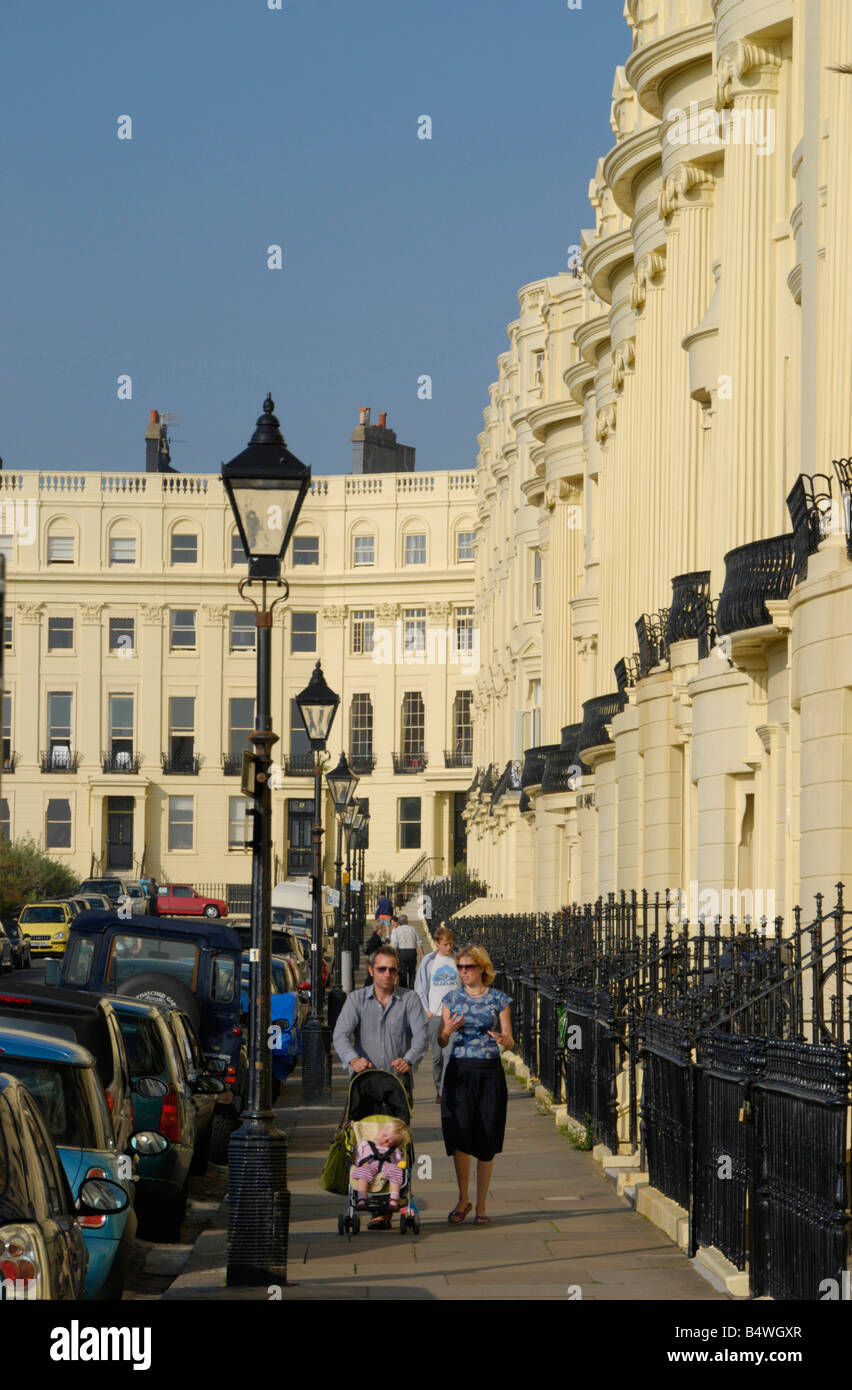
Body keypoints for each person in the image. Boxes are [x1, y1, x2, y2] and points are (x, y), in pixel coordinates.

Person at [333, 945, 427, 1229]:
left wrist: (409, 1060)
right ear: (372, 971)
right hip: (365, 1084)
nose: (388, 974)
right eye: (382, 969)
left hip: (397, 1084)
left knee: (395, 1146)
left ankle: (388, 1206)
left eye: (393, 970)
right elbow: (340, 1035)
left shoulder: (408, 999)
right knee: (366, 1143)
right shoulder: (356, 1000)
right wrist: (353, 1060)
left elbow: (421, 1037)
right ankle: (368, 1198)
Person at [439, 944, 513, 1226]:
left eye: (469, 967)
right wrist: (447, 1030)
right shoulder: (451, 998)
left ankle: (481, 1205)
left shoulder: (498, 999)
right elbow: (442, 1040)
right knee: (459, 1137)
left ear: (483, 968)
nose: (463, 972)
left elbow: (509, 1039)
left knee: (486, 1139)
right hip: (459, 1071)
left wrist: (503, 1040)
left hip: (489, 1072)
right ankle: (462, 1199)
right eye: (459, 967)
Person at [414, 926, 460, 1102]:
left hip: (453, 1016)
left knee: (449, 1054)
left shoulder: (456, 961)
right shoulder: (429, 962)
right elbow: (420, 988)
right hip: (434, 1015)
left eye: (451, 944)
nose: (449, 948)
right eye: (446, 944)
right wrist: (426, 1010)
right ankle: (438, 1085)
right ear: (437, 943)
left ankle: (445, 1091)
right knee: (437, 1058)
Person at [351, 1119, 407, 1212]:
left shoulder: (394, 1150)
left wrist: (400, 1164)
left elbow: (399, 1161)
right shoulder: (365, 1144)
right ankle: (362, 1198)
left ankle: (394, 1199)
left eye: (389, 1141)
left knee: (396, 1171)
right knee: (362, 1171)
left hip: (387, 1165)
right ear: (380, 1130)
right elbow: (358, 1156)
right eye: (384, 1135)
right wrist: (360, 1163)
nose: (385, 1140)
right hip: (370, 1164)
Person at [390, 912, 419, 989]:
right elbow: (419, 942)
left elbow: (395, 945)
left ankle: (403, 988)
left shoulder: (396, 931)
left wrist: (393, 955)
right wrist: (422, 954)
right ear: (407, 921)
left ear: (399, 922)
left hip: (401, 952)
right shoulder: (413, 929)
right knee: (412, 972)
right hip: (412, 951)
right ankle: (412, 988)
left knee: (402, 972)